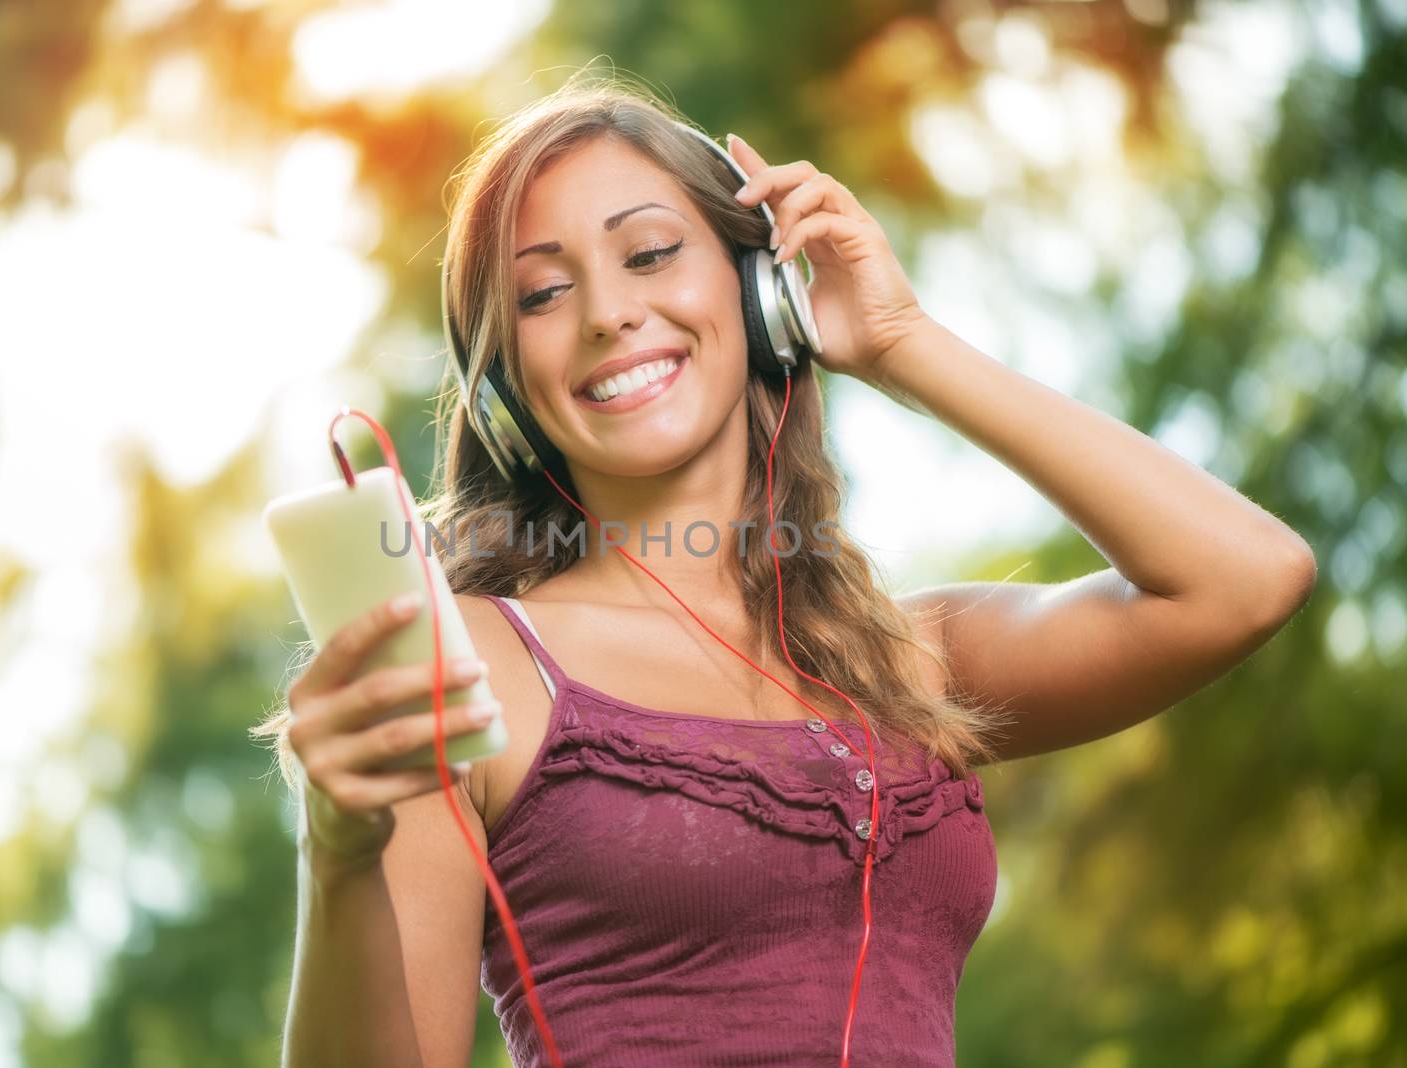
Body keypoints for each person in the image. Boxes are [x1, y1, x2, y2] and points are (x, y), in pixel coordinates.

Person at [252, 76, 1317, 1068]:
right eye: (541, 294)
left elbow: (1243, 578)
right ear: (505, 397)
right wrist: (340, 852)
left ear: (762, 291)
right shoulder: (469, 662)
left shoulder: (911, 663)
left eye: (651, 253)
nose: (608, 314)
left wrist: (899, 339)